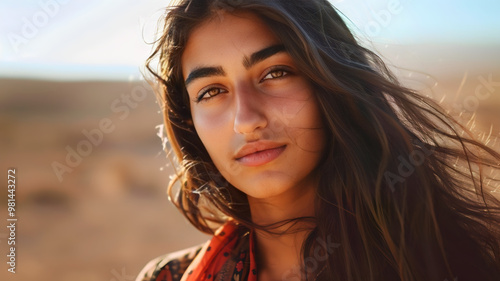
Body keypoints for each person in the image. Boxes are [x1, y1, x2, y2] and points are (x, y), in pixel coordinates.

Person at [136, 0, 500, 280]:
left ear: (330, 83)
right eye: (212, 91)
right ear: (189, 122)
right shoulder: (167, 277)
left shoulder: (458, 261)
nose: (246, 121)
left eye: (276, 73)